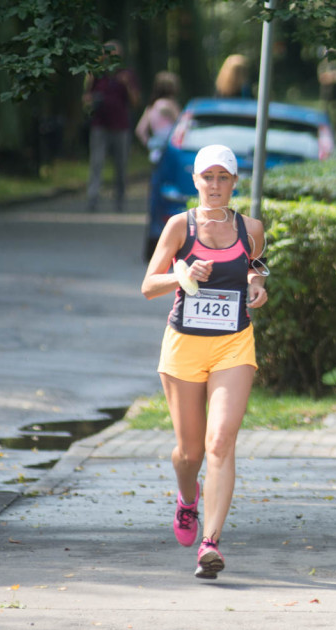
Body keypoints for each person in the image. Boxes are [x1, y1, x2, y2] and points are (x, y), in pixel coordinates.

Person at [141, 144, 268, 579]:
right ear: (195, 181)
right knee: (189, 452)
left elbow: (254, 265)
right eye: (207, 177)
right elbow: (148, 285)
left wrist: (256, 283)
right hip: (184, 347)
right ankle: (186, 498)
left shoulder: (251, 228)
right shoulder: (181, 226)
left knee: (220, 444)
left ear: (235, 182)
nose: (215, 185)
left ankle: (210, 544)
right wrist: (183, 273)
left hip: (234, 344)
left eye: (223, 178)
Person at [83, 40, 141, 212]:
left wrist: (127, 85)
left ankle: (120, 199)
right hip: (99, 125)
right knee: (96, 163)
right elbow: (85, 99)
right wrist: (91, 100)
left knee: (121, 166)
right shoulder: (96, 74)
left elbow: (136, 102)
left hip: (120, 126)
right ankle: (92, 199)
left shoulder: (127, 74)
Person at [135, 70, 181, 162]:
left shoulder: (151, 107)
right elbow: (181, 124)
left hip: (156, 150)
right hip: (171, 147)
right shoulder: (168, 105)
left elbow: (140, 130)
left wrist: (151, 144)